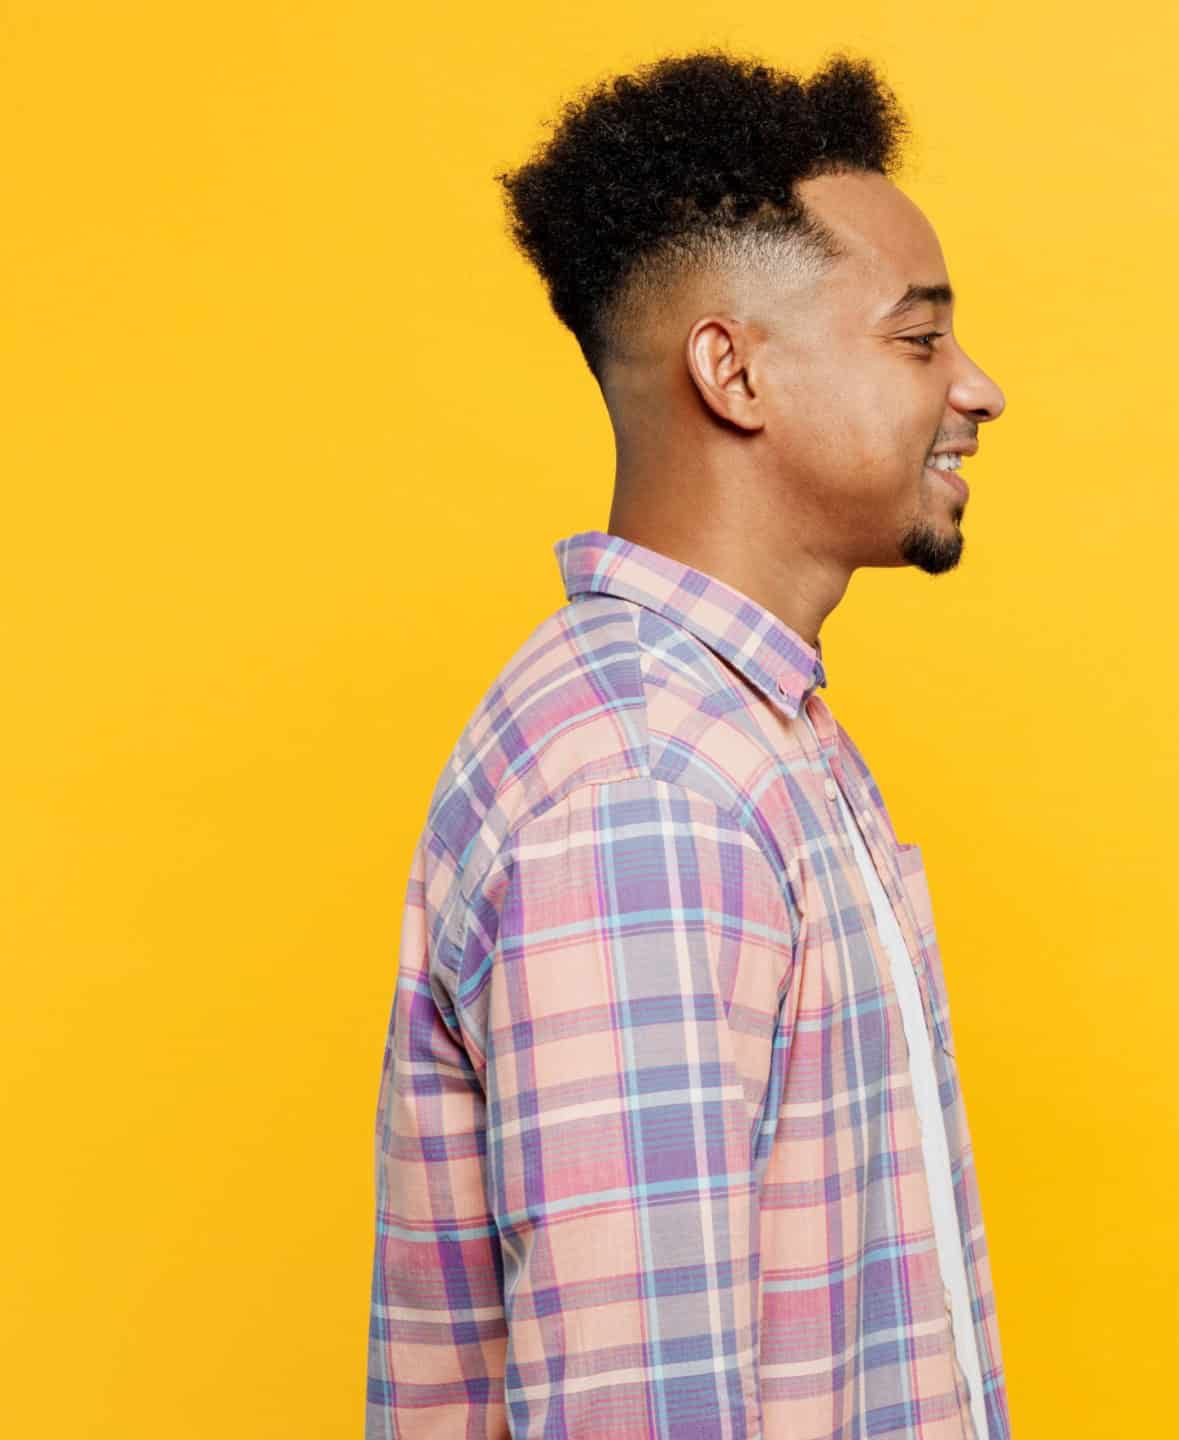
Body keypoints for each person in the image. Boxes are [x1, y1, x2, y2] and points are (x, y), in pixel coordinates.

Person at [369, 52, 1010, 1439]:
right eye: (919, 340)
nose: (980, 390)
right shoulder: (648, 792)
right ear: (733, 372)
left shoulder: (746, 735)